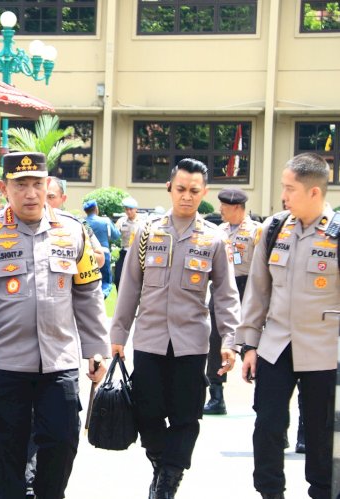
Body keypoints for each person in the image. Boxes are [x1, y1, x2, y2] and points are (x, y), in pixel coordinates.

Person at [0, 151, 109, 499]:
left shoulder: (72, 231)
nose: (31, 193)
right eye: (21, 185)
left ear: (47, 184)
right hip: (5, 363)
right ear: (6, 188)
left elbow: (88, 292)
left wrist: (97, 349)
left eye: (38, 184)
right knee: (5, 450)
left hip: (60, 361)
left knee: (62, 440)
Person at [111, 158, 240, 498]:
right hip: (150, 339)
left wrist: (230, 340)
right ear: (170, 188)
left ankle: (167, 481)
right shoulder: (146, 233)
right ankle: (162, 464)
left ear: (204, 193)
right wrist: (118, 335)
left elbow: (226, 296)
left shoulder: (214, 239)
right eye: (181, 189)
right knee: (146, 413)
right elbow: (129, 288)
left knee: (186, 417)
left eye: (194, 191)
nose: (186, 196)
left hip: (191, 344)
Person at [238, 153, 339, 499]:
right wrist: (249, 345)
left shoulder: (337, 234)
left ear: (314, 192)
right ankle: (270, 492)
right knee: (267, 424)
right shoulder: (274, 228)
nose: (283, 195)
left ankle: (322, 491)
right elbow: (257, 292)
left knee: (320, 430)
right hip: (276, 345)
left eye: (290, 188)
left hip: (324, 351)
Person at [202, 188, 259, 415]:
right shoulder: (219, 231)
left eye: (224, 206)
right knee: (215, 342)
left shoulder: (256, 231)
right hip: (222, 289)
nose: (220, 210)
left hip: (247, 288)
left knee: (251, 342)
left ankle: (263, 396)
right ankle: (216, 396)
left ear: (236, 207)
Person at [47, 176, 105, 268]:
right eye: (42, 196)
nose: (45, 202)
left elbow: (100, 258)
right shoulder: (24, 224)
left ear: (63, 198)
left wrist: (73, 251)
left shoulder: (78, 225)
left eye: (51, 197)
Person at [83, 198, 120, 298]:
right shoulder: (105, 221)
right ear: (96, 208)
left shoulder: (82, 222)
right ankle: (101, 298)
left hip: (86, 255)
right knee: (106, 282)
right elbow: (116, 235)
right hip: (104, 254)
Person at [114, 196, 144, 292]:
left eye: (131, 209)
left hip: (137, 253)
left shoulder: (142, 222)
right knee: (118, 278)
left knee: (136, 279)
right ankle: (121, 299)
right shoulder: (122, 221)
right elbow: (115, 234)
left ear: (136, 209)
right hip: (125, 251)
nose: (128, 211)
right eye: (126, 209)